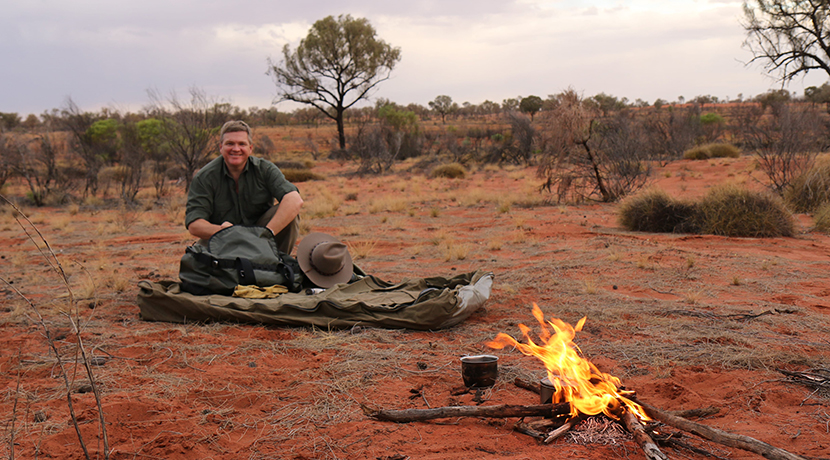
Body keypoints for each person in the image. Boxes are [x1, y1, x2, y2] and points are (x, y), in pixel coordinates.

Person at [185, 120, 303, 254]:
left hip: (262, 237)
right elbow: (194, 225)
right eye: (230, 143)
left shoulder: (265, 169)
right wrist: (225, 231)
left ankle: (276, 264)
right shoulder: (204, 177)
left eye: (242, 144)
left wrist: (266, 234)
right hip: (223, 239)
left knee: (291, 215)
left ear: (250, 148)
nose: (236, 149)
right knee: (197, 261)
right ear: (220, 147)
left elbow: (294, 199)